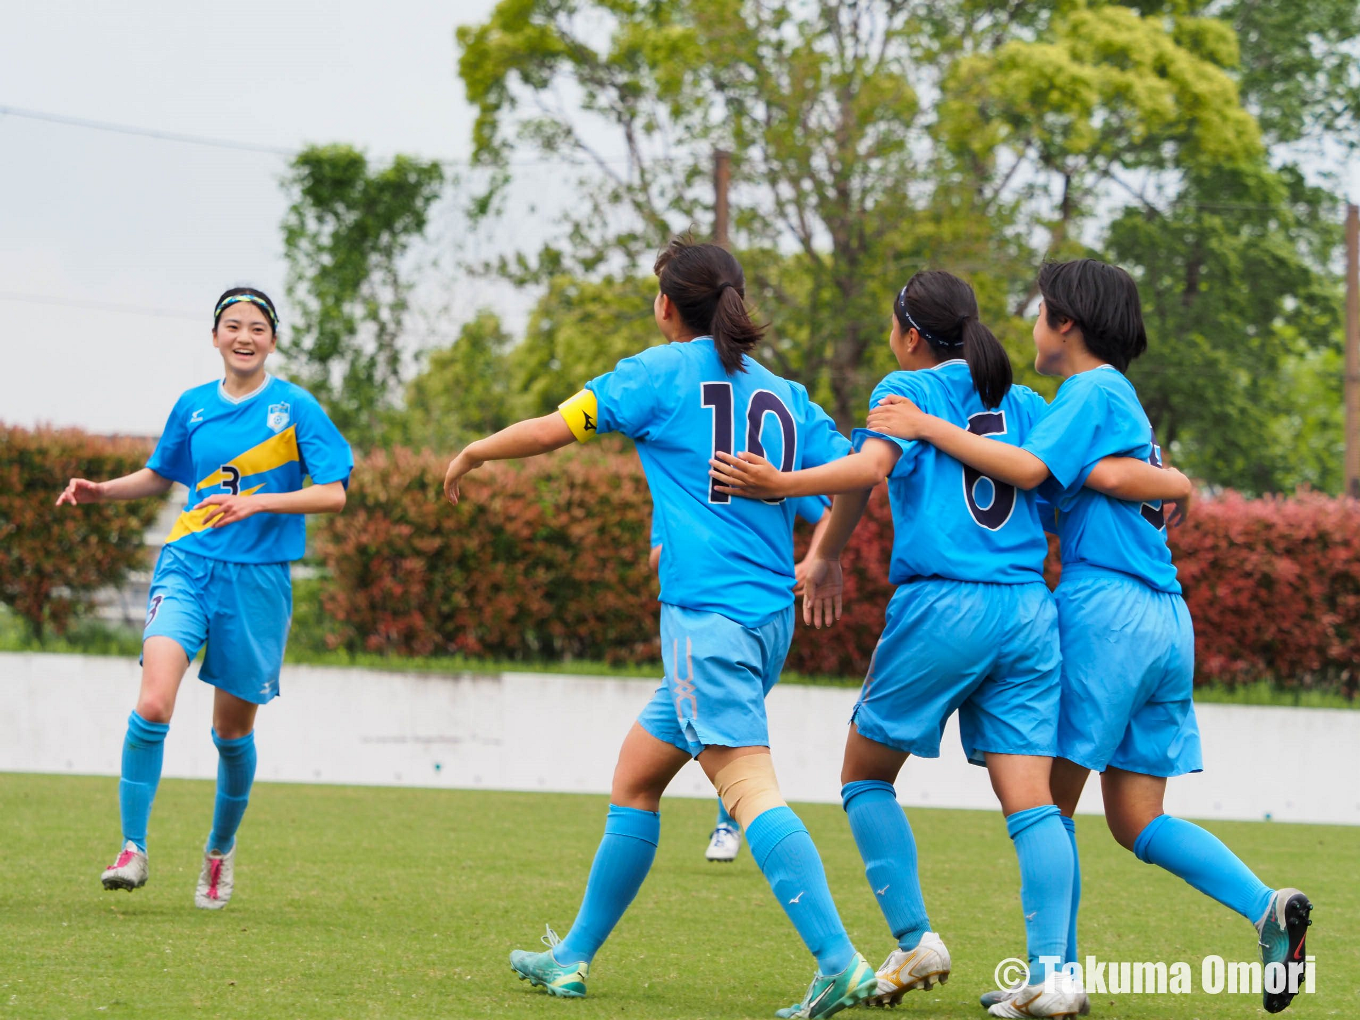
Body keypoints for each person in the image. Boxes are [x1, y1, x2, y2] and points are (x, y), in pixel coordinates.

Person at [709, 269, 1189, 1019]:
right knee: (1033, 805)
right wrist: (1176, 485)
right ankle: (1053, 976)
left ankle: (914, 939)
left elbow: (866, 473)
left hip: (943, 605)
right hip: (1030, 612)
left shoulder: (908, 392)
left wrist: (780, 484)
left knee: (864, 776)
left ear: (908, 336)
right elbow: (1088, 477)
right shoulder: (1028, 402)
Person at [864, 258, 1312, 1015]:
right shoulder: (1119, 399)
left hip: (1104, 610)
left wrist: (925, 426)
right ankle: (1267, 906)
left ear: (1065, 323)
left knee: (1047, 806)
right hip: (1166, 617)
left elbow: (1036, 470)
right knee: (1137, 819)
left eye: (1040, 312)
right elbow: (1109, 479)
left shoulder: (1087, 389)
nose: (1031, 326)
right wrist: (1176, 482)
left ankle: (1053, 981)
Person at [443, 238, 877, 1018]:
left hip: (707, 622)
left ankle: (839, 959)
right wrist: (827, 556)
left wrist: (477, 449)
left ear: (668, 305)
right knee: (637, 779)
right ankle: (571, 957)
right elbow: (852, 476)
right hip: (763, 624)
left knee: (746, 787)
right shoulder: (781, 393)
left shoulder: (656, 373)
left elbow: (553, 428)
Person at [56, 287, 352, 910]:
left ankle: (219, 852)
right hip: (187, 565)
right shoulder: (191, 406)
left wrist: (259, 501)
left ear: (272, 339)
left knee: (230, 732)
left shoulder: (295, 407)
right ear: (215, 336)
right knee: (155, 702)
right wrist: (101, 491)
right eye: (232, 326)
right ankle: (132, 849)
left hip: (259, 579)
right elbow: (162, 474)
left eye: (257, 328)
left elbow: (333, 493)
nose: (244, 336)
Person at [650, 495, 832, 864]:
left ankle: (729, 825)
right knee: (635, 779)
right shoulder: (679, 480)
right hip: (737, 619)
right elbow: (656, 556)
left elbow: (829, 510)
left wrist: (816, 559)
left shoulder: (762, 471)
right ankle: (729, 825)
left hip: (729, 622)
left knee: (738, 757)